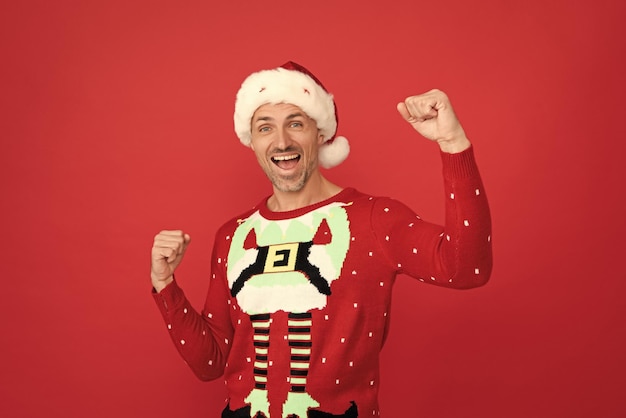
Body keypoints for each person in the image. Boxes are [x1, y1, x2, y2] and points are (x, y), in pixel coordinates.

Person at [150, 61, 492, 418]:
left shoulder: (373, 219)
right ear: (252, 141)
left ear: (322, 133)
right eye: (265, 127)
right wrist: (165, 285)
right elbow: (210, 362)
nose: (281, 141)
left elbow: (466, 268)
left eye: (295, 124)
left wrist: (452, 143)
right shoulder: (234, 235)